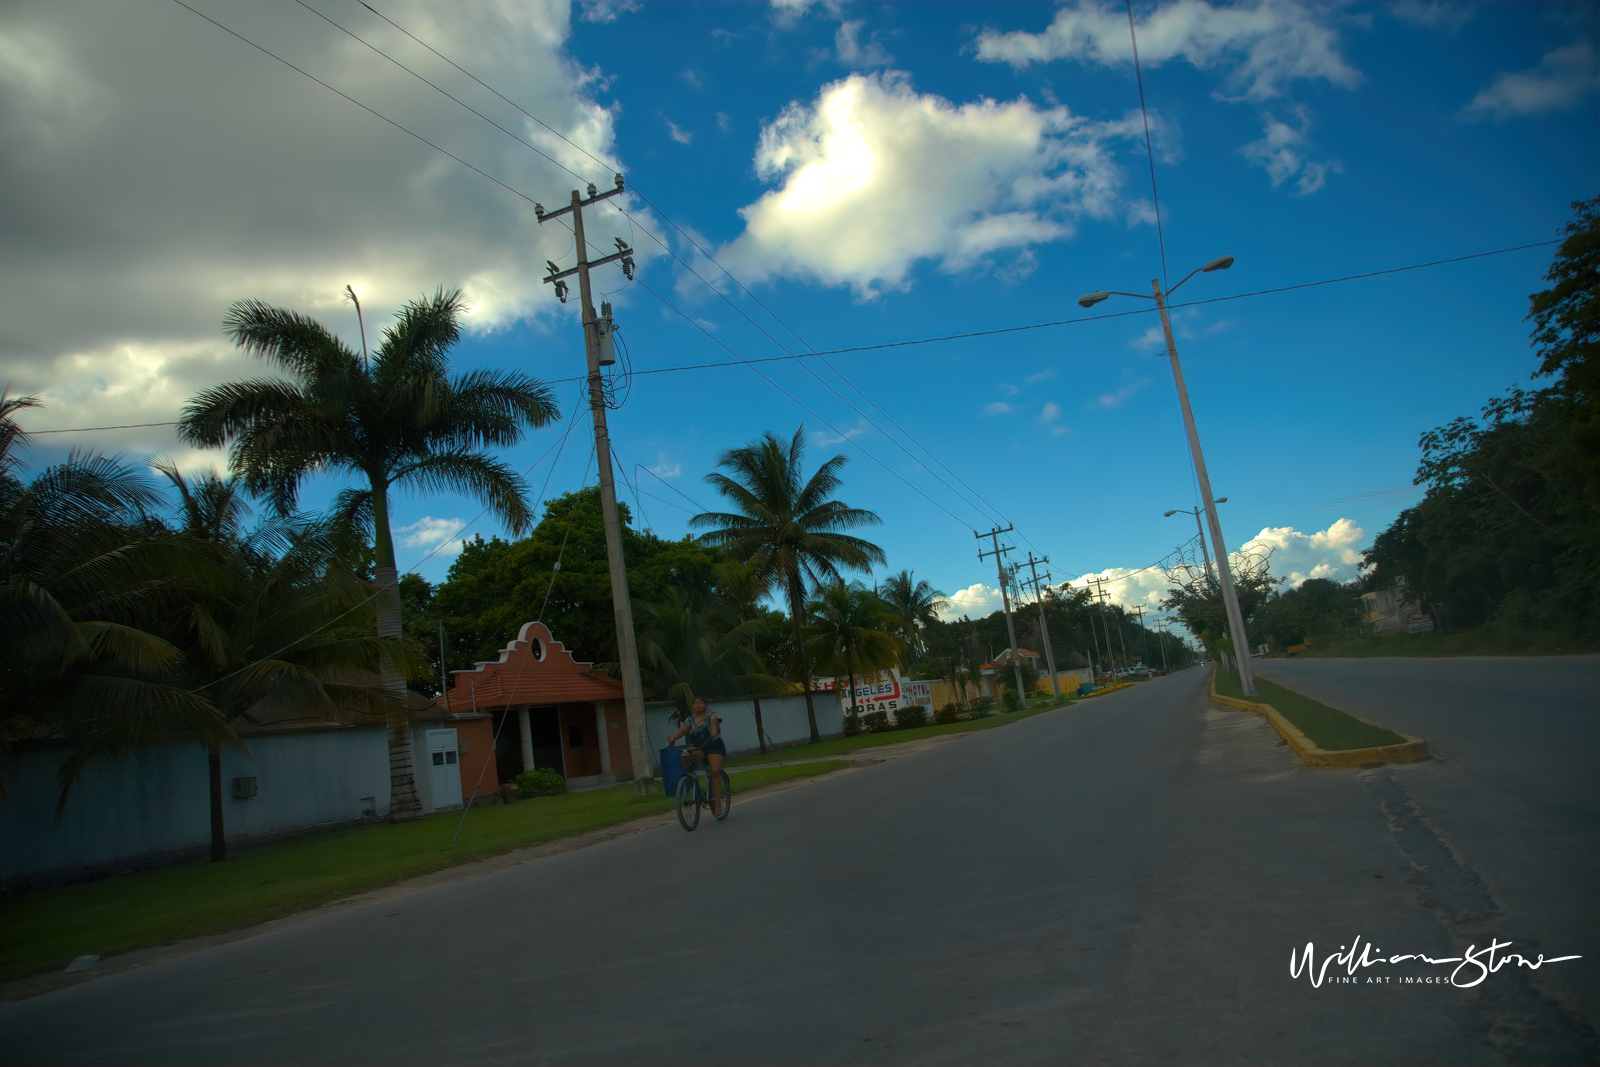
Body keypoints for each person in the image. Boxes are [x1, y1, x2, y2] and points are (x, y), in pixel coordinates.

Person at [665, 697, 726, 816]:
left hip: (714, 746)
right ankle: (692, 783)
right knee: (685, 755)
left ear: (705, 705)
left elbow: (714, 723)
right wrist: (673, 738)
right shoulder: (690, 719)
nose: (698, 705)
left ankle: (717, 803)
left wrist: (714, 731)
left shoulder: (711, 714)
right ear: (693, 706)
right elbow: (683, 730)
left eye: (700, 703)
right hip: (699, 748)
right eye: (695, 703)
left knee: (714, 772)